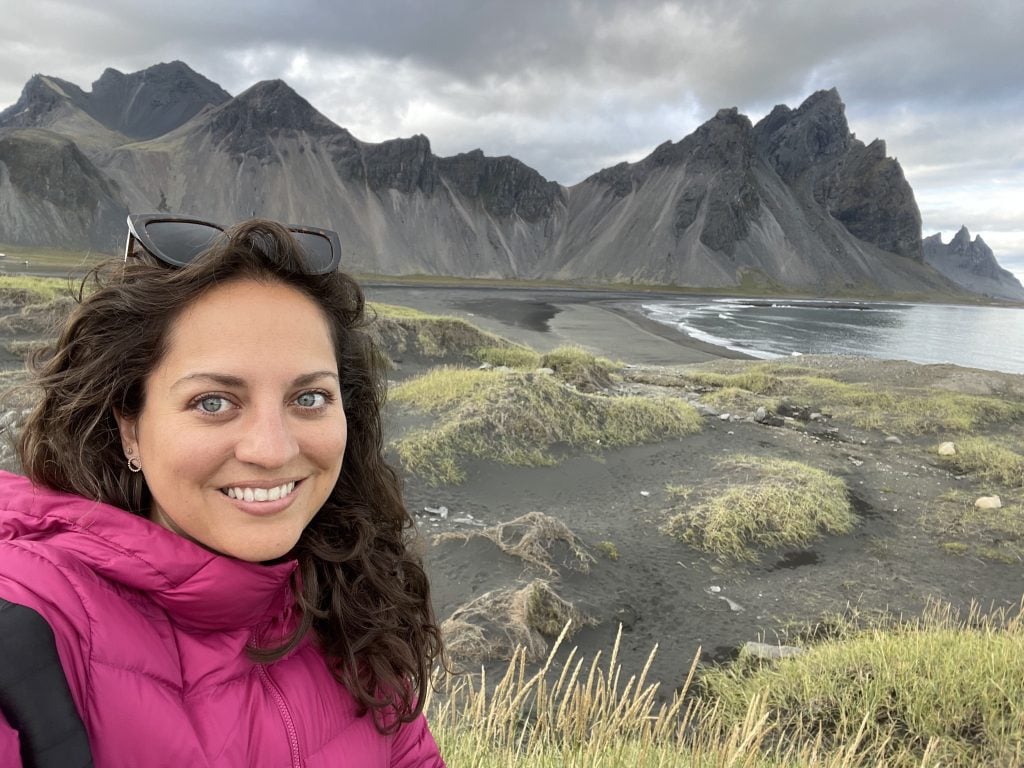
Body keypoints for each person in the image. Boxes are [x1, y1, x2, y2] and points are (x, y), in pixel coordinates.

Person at [0, 215, 446, 766]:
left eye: (309, 399)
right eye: (214, 402)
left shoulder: (354, 601)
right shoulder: (33, 624)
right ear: (129, 426)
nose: (273, 450)